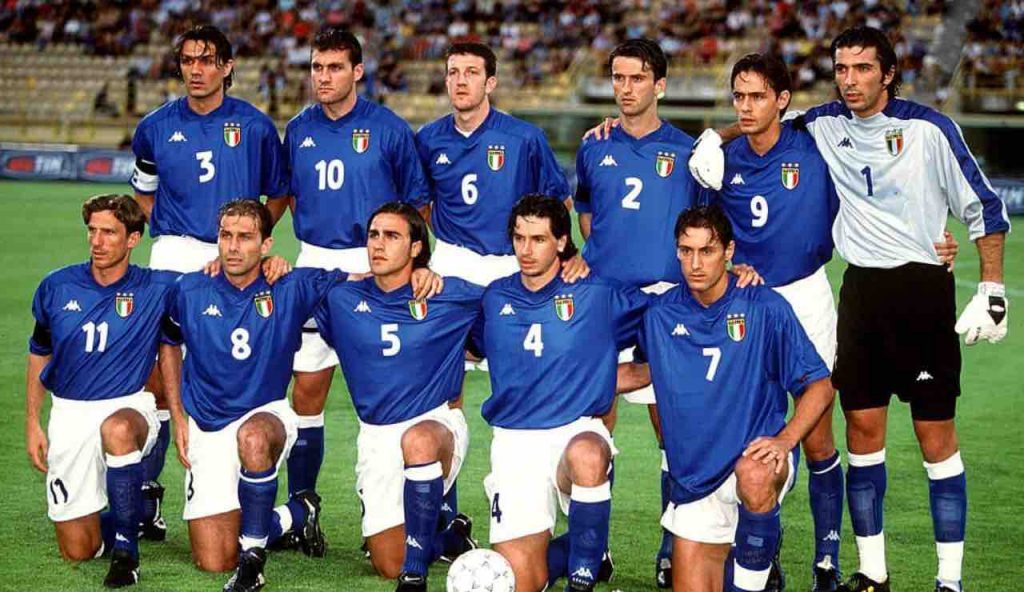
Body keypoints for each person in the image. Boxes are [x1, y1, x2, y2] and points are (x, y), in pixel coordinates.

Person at [688, 26, 1010, 592]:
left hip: (922, 292)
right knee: (862, 432)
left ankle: (949, 580)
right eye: (841, 69)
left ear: (888, 73)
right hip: (860, 294)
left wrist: (992, 288)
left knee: (936, 438)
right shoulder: (824, 123)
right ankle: (870, 573)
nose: (850, 80)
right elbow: (761, 118)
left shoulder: (931, 128)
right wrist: (713, 136)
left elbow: (984, 206)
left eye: (863, 68)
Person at [160, 200, 441, 590]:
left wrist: (421, 269)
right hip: (208, 427)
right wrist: (178, 416)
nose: (234, 247)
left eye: (245, 238)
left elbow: (369, 279)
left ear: (266, 244)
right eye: (226, 236)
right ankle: (294, 513)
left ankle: (252, 561)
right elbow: (169, 342)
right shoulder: (189, 289)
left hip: (266, 415)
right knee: (213, 560)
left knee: (253, 437)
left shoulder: (292, 284)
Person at [129, 24, 289, 537]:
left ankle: (245, 486)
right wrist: (170, 229)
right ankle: (147, 494)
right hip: (175, 252)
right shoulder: (154, 127)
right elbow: (144, 192)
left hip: (234, 255)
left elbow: (279, 194)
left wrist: (246, 245)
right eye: (188, 60)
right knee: (158, 377)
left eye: (206, 60)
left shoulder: (255, 126)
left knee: (228, 367)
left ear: (226, 67)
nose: (196, 70)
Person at [278, 26, 431, 549]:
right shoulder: (298, 129)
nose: (323, 77)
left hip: (376, 268)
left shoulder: (389, 129)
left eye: (335, 67)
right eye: (317, 67)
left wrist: (398, 262)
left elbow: (416, 206)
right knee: (307, 391)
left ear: (358, 72)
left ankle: (403, 515)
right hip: (316, 266)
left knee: (395, 390)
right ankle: (303, 508)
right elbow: (291, 196)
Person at [634, 204, 835, 592]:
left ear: (728, 251)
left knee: (755, 474)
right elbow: (641, 370)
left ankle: (753, 579)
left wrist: (785, 440)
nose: (695, 263)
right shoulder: (660, 314)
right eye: (686, 251)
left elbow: (819, 385)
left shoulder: (764, 307)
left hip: (755, 456)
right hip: (695, 477)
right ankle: (753, 557)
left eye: (707, 251)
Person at [573, 38, 704, 588]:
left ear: (660, 85)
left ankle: (673, 547)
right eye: (618, 78)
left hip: (665, 300)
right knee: (593, 417)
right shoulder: (593, 146)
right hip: (606, 297)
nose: (625, 89)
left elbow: (703, 227)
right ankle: (592, 549)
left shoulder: (689, 153)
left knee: (670, 425)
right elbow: (586, 216)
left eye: (637, 78)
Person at [472, 194, 648, 592]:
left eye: (538, 239)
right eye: (519, 238)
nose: (526, 250)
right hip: (514, 442)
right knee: (520, 582)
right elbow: (470, 347)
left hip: (574, 432)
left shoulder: (596, 293)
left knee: (588, 453)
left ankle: (582, 580)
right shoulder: (495, 297)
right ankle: (586, 545)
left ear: (562, 242)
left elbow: (669, 320)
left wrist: (602, 380)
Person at [314, 203, 480, 591]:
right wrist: (270, 264)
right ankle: (451, 535)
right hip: (376, 435)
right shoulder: (341, 299)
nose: (378, 244)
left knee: (418, 440)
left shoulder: (447, 294)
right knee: (388, 561)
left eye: (392, 236)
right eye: (374, 235)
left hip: (435, 425)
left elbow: (507, 302)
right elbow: (290, 284)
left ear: (416, 247)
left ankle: (415, 575)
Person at [25, 194, 177, 588]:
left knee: (118, 429)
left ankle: (127, 553)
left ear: (133, 239)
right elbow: (39, 351)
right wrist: (33, 422)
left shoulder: (158, 286)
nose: (97, 241)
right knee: (78, 549)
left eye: (109, 232)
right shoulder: (56, 286)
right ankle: (138, 510)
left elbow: (224, 277)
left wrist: (270, 263)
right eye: (92, 231)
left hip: (129, 406)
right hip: (69, 413)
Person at [415, 42, 574, 288]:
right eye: (453, 72)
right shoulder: (428, 138)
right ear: (446, 81)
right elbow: (419, 202)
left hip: (510, 262)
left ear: (490, 83)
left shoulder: (525, 138)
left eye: (472, 72)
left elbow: (561, 203)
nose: (461, 81)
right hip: (449, 261)